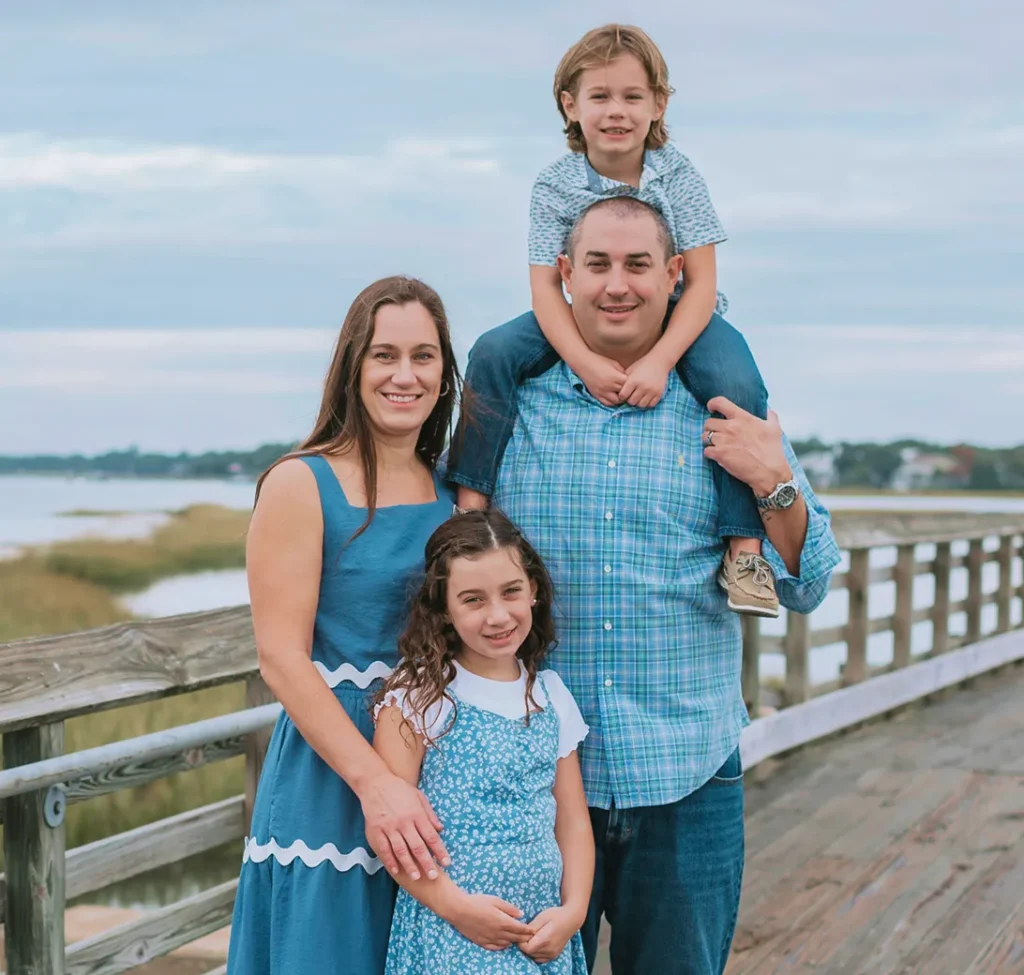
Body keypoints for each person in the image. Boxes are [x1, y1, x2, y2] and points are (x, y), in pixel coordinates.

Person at [487, 196, 842, 975]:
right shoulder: (512, 407)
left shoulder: (725, 405)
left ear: (675, 274)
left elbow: (809, 583)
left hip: (688, 777)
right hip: (535, 788)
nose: (618, 285)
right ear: (564, 275)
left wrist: (773, 479)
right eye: (598, 265)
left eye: (638, 265)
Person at [448, 23, 779, 618]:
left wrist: (659, 361)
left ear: (659, 104)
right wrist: (584, 362)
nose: (616, 111)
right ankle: (468, 514)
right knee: (493, 351)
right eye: (599, 96)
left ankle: (744, 551)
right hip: (574, 309)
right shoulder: (554, 183)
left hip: (679, 312)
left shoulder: (679, 175)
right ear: (570, 105)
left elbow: (702, 284)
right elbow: (545, 288)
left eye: (632, 96)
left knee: (739, 381)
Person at [226, 276, 463, 974]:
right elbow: (281, 657)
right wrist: (375, 784)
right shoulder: (301, 482)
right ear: (352, 366)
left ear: (444, 373)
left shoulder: (453, 491)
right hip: (335, 771)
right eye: (384, 355)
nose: (404, 375)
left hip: (437, 764)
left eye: (423, 356)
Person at [372, 509, 593, 974]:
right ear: (443, 609)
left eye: (511, 592)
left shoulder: (551, 694)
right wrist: (455, 908)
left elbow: (572, 821)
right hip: (452, 933)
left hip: (540, 931)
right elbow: (389, 832)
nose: (497, 616)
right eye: (472, 600)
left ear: (533, 590)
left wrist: (573, 912)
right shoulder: (418, 696)